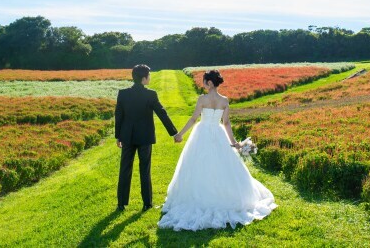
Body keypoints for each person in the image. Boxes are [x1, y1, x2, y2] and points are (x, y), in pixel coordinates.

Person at [158, 69, 277, 230]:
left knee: (199, 165)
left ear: (209, 83)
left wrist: (180, 134)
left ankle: (200, 196)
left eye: (204, 81)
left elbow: (194, 119)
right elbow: (226, 123)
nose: (203, 84)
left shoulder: (202, 99)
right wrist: (234, 143)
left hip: (202, 133)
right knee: (222, 166)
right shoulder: (224, 100)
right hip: (218, 133)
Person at [115, 64, 180, 212]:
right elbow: (162, 113)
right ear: (144, 79)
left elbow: (119, 116)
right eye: (149, 75)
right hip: (145, 137)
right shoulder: (150, 94)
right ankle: (147, 203)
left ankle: (121, 203)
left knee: (125, 168)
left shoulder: (123, 94)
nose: (150, 77)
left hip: (127, 137)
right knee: (145, 169)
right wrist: (174, 133)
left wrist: (118, 136)